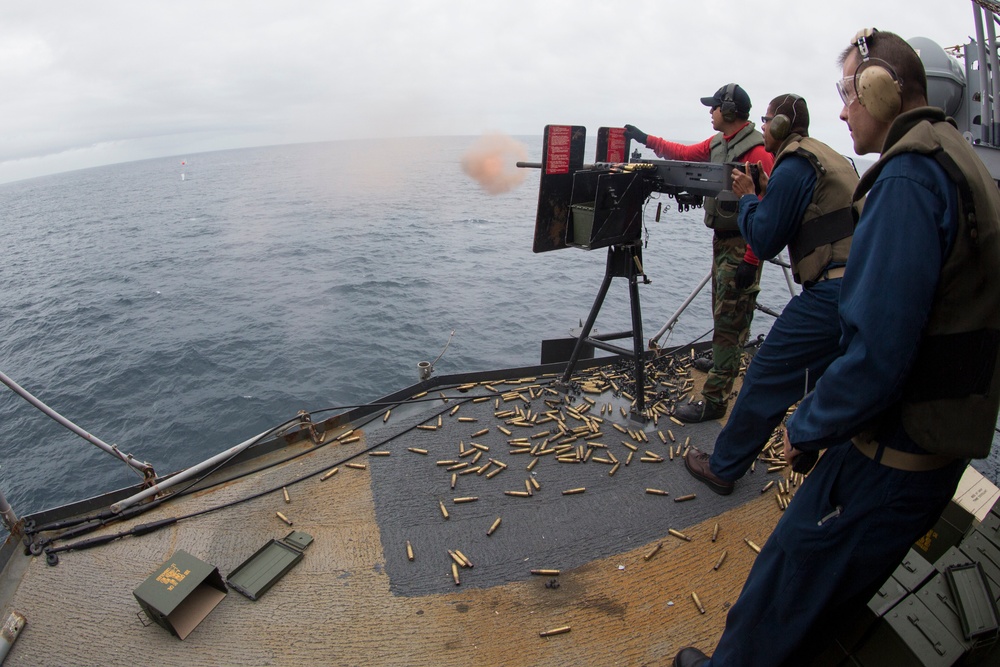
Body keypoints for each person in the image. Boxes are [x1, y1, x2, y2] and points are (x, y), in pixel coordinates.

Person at [673, 29, 1000, 667]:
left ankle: (725, 468)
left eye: (850, 91)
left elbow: (876, 346)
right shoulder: (957, 157)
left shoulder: (905, 177)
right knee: (827, 596)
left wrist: (811, 424)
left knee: (790, 573)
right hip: (936, 439)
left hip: (894, 447)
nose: (844, 109)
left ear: (883, 88)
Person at [683, 93, 859, 495]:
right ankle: (810, 444)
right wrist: (766, 190)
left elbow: (763, 239)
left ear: (779, 125)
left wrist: (748, 196)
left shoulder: (794, 163)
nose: (763, 128)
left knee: (765, 374)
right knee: (825, 376)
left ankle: (723, 468)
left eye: (767, 121)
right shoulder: (827, 157)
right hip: (860, 287)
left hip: (831, 291)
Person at [625, 83, 774, 423]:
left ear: (731, 112)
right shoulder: (719, 144)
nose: (710, 112)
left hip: (742, 243)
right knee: (726, 314)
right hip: (723, 240)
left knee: (729, 319)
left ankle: (714, 401)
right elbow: (683, 154)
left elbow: (767, 211)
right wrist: (646, 139)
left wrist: (751, 260)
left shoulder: (758, 153)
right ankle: (725, 361)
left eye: (715, 107)